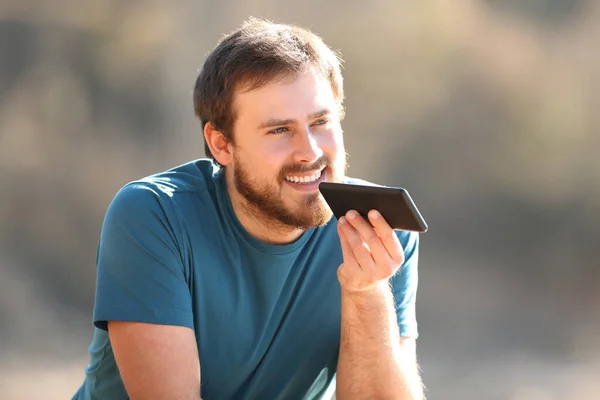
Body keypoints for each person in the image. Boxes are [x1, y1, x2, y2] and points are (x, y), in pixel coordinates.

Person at [73, 17, 425, 400]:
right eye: (279, 130)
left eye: (321, 121)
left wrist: (366, 291)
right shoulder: (154, 216)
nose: (310, 151)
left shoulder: (376, 229)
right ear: (221, 145)